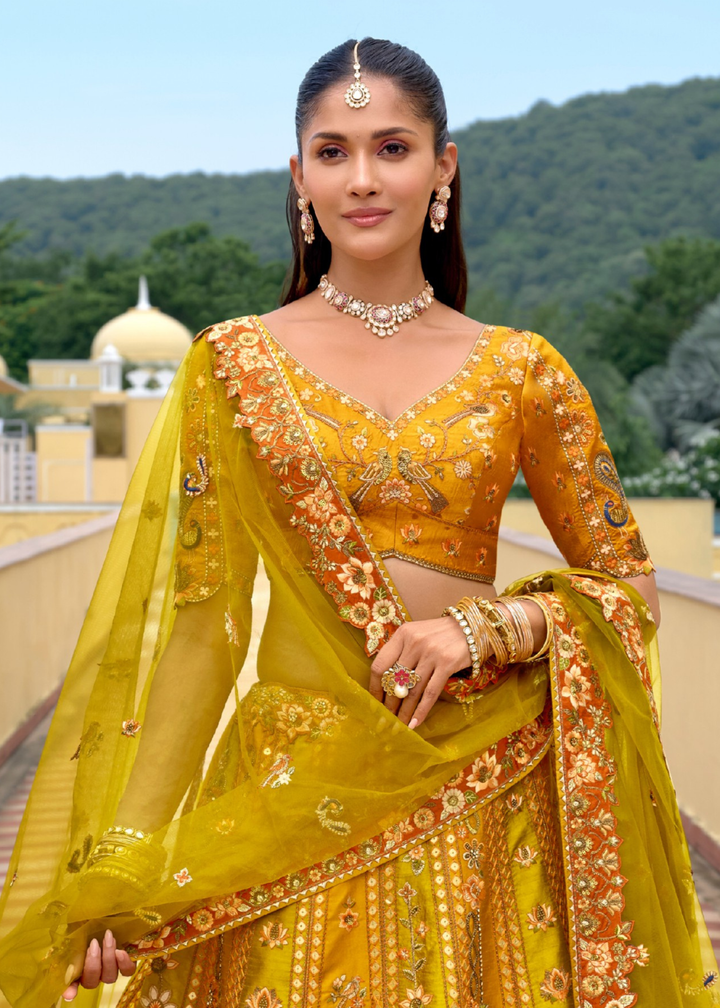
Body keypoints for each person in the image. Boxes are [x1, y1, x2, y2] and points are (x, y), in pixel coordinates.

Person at [0, 37, 717, 1008]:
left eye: (393, 147)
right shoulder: (233, 367)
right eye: (333, 152)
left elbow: (628, 589)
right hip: (293, 791)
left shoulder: (525, 369)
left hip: (484, 786)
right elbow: (202, 632)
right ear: (299, 177)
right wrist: (125, 857)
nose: (364, 179)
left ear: (443, 167)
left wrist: (490, 627)